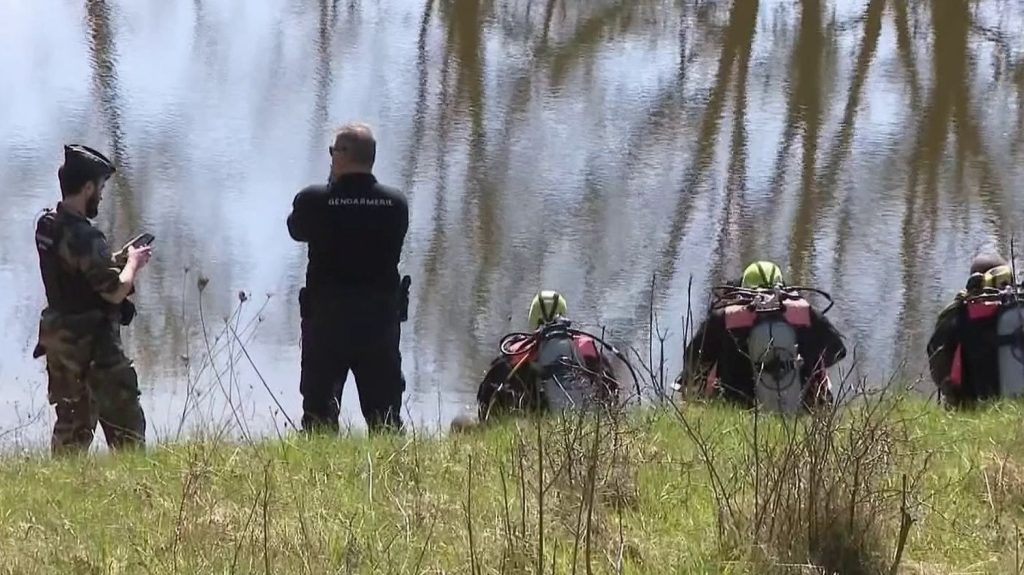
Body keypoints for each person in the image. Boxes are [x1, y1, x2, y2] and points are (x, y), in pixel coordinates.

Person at [287, 123, 410, 433]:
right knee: (385, 416)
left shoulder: (314, 200)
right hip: (379, 321)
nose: (330, 157)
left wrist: (333, 185)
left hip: (327, 321)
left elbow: (296, 229)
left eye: (333, 151)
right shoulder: (395, 204)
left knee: (318, 414)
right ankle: (392, 473)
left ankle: (316, 475)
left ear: (342, 155)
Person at [34, 145, 152, 455]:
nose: (100, 195)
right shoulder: (87, 237)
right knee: (127, 428)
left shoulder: (48, 226)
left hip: (61, 343)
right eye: (99, 188)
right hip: (95, 346)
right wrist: (133, 263)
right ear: (87, 188)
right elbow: (114, 290)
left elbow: (74, 270)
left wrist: (115, 257)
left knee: (72, 426)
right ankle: (134, 494)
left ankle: (60, 494)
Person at [676, 261, 847, 411]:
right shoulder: (804, 313)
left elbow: (693, 360)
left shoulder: (724, 316)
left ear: (742, 286)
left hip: (733, 404)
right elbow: (838, 351)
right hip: (796, 406)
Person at [475, 290, 619, 422]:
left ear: (533, 317)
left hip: (529, 433)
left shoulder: (516, 355)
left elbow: (486, 400)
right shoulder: (587, 352)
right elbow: (612, 393)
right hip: (585, 427)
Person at [927, 252, 1023, 407]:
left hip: (970, 406)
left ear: (974, 280)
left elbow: (939, 368)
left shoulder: (955, 315)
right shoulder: (1020, 310)